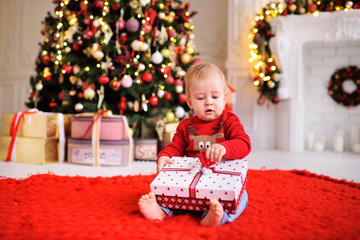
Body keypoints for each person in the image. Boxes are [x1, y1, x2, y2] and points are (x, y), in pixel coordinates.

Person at [138, 62, 251, 227]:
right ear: (190, 103)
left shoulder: (229, 121)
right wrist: (165, 156)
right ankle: (161, 210)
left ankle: (216, 216)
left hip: (220, 180)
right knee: (169, 191)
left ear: (224, 98)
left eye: (215, 96)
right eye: (200, 98)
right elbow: (175, 147)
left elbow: (244, 144)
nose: (208, 102)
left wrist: (225, 148)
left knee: (242, 196)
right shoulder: (185, 126)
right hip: (190, 180)